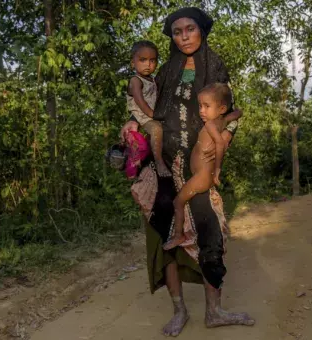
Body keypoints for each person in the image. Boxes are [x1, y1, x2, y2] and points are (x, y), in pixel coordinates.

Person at [120, 7, 255, 337]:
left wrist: (223, 134)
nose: (183, 36)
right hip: (163, 166)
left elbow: (231, 111)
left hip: (198, 166)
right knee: (165, 236)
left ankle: (214, 310)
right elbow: (143, 104)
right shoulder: (164, 71)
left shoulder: (216, 66)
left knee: (212, 232)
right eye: (177, 31)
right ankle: (179, 309)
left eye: (190, 28)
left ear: (202, 31)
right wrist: (131, 122)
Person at [163, 83, 242, 251]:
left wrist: (218, 170)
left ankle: (179, 235)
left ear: (221, 108)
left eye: (206, 106)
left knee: (178, 202)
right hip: (201, 175)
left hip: (202, 176)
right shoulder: (221, 120)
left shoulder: (210, 125)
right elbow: (235, 114)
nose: (201, 111)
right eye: (200, 106)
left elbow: (220, 145)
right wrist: (238, 112)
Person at [126, 40, 171, 177]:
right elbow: (140, 101)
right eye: (143, 60)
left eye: (152, 60)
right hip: (143, 117)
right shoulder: (135, 80)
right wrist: (153, 114)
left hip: (151, 115)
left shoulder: (151, 79)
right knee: (157, 129)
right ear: (133, 63)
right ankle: (159, 163)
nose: (148, 64)